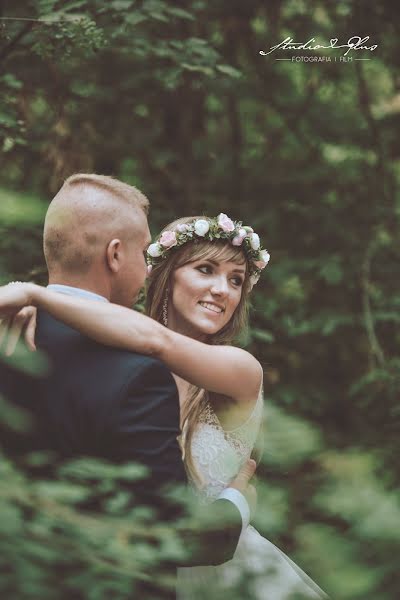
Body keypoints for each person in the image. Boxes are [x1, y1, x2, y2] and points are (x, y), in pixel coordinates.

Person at [0, 196, 328, 598]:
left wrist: (38, 296)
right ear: (168, 275)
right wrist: (35, 306)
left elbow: (154, 340)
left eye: (236, 279)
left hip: (223, 571)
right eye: (206, 270)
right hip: (131, 568)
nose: (221, 289)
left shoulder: (239, 368)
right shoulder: (118, 356)